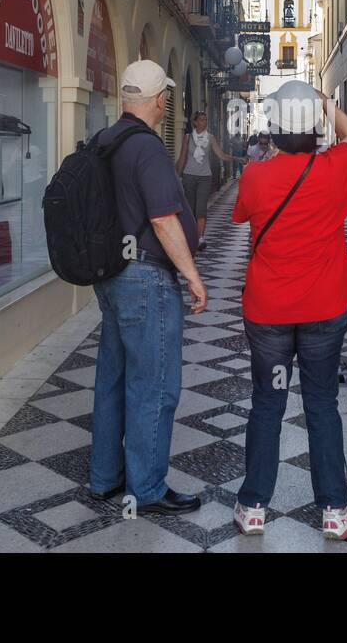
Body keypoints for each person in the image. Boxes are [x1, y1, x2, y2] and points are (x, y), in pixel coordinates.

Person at [230, 81, 347, 541]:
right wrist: (329, 107)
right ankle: (334, 510)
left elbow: (242, 215)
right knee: (322, 404)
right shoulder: (335, 166)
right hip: (324, 307)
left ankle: (252, 507)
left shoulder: (256, 176)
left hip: (268, 311)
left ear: (274, 129)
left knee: (267, 403)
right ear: (313, 128)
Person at [88, 60, 208, 516]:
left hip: (112, 277)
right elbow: (162, 219)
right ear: (160, 100)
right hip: (146, 280)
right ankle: (148, 487)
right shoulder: (148, 149)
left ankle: (104, 478)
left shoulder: (105, 140)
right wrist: (193, 276)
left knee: (112, 380)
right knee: (154, 385)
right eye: (166, 97)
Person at [176, 110, 244, 251]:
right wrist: (176, 175)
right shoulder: (188, 138)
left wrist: (237, 159)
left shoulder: (211, 138)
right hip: (188, 176)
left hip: (205, 177)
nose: (204, 122)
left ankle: (200, 238)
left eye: (205, 120)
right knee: (190, 208)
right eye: (201, 119)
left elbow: (221, 155)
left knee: (201, 209)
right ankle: (190, 236)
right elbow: (182, 157)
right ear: (194, 122)